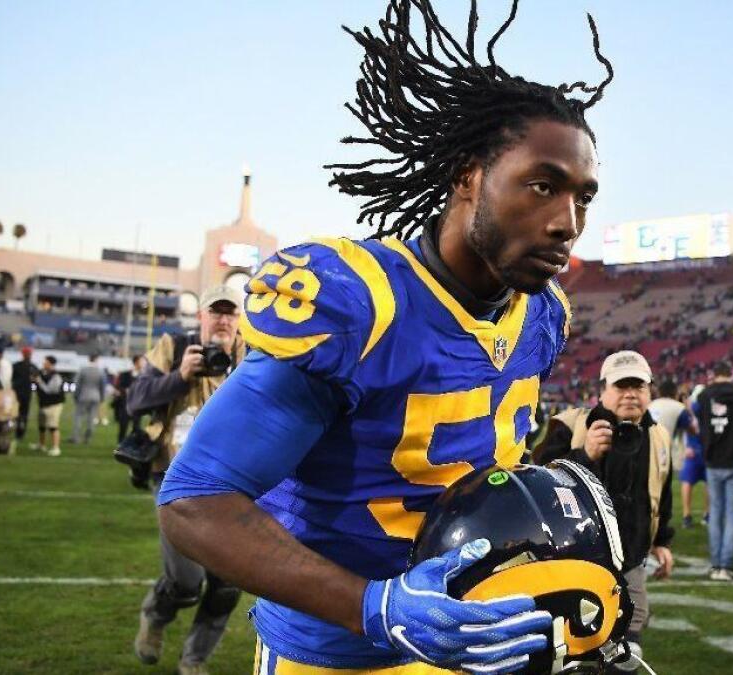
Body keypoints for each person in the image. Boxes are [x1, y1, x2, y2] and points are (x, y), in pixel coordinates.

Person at [152, 2, 613, 672]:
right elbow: (194, 501)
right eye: (543, 185)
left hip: (463, 643)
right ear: (467, 175)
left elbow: (487, 465)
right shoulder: (359, 303)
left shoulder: (544, 314)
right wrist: (377, 606)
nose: (566, 222)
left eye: (583, 198)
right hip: (335, 652)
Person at [126, 286, 248, 675]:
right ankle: (156, 615)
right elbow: (135, 399)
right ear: (202, 316)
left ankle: (194, 660)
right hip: (176, 477)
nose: (224, 320)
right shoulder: (174, 347)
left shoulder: (254, 354)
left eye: (231, 313)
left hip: (236, 482)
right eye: (217, 312)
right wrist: (179, 377)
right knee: (185, 580)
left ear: (240, 319)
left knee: (228, 583)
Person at [534, 351, 673, 671]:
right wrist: (584, 455)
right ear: (602, 391)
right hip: (576, 562)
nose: (630, 394)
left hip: (632, 558)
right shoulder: (571, 426)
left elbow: (662, 493)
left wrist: (662, 540)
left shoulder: (658, 435)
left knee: (627, 651)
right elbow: (538, 490)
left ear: (649, 391)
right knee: (573, 649)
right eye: (621, 386)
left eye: (638, 386)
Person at [696, 362, 733, 581]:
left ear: (713, 374)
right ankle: (726, 566)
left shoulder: (703, 396)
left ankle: (716, 564)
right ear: (731, 374)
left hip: (712, 460)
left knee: (716, 513)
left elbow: (700, 424)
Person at [679, 385, 710, 529]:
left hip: (693, 450)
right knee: (708, 483)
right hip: (705, 449)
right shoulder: (707, 406)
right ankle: (707, 514)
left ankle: (687, 515)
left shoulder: (691, 407)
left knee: (688, 482)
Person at [33, 356, 65, 457]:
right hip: (44, 403)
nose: (43, 364)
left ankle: (56, 448)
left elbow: (49, 390)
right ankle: (41, 445)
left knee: (53, 426)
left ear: (51, 364)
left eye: (45, 362)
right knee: (41, 425)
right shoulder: (44, 373)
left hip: (53, 404)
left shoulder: (56, 376)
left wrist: (39, 381)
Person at [70, 353, 105, 445]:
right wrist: (102, 397)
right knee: (91, 418)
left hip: (83, 396)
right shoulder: (100, 371)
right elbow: (102, 386)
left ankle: (76, 438)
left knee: (78, 417)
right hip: (96, 396)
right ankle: (87, 438)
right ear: (97, 359)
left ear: (89, 359)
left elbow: (77, 384)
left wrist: (75, 396)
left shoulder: (83, 370)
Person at [113, 354, 146, 443]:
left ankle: (133, 446)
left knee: (136, 427)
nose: (144, 363)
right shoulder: (125, 374)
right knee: (123, 426)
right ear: (136, 362)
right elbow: (119, 387)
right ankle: (120, 444)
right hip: (125, 404)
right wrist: (126, 391)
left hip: (138, 406)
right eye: (142, 361)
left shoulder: (145, 376)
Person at [10, 345, 37, 441]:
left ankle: (21, 433)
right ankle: (15, 431)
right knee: (15, 413)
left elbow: (36, 380)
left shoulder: (33, 367)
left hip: (26, 394)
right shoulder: (16, 366)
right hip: (17, 393)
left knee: (24, 414)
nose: (29, 355)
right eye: (27, 353)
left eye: (29, 353)